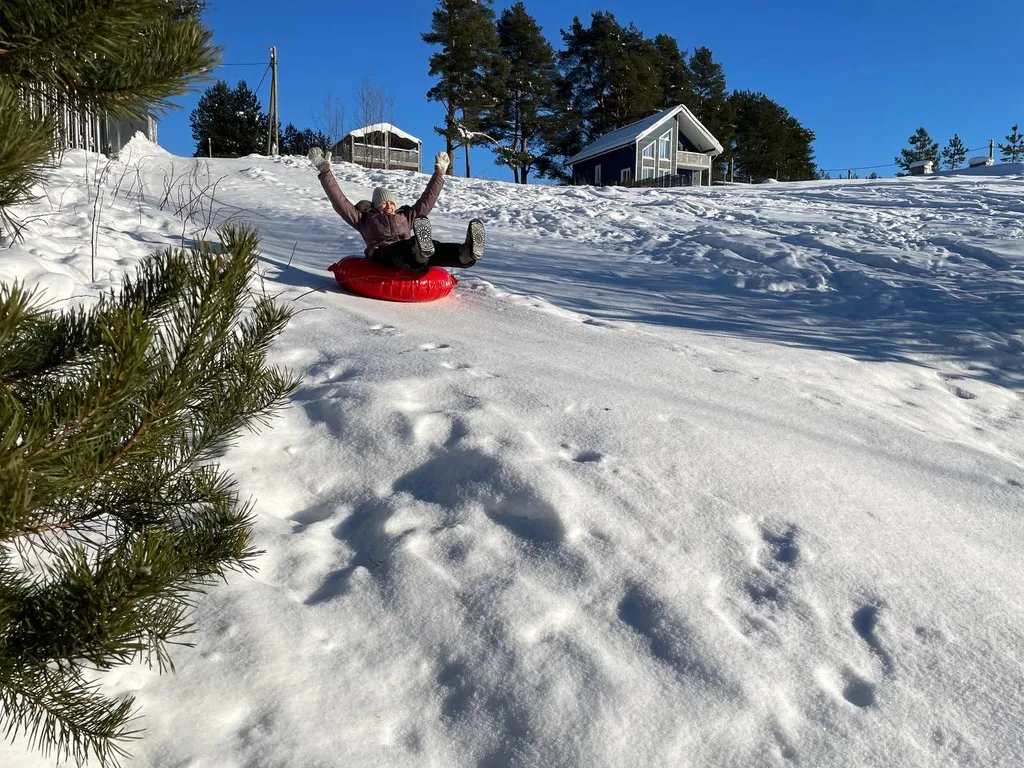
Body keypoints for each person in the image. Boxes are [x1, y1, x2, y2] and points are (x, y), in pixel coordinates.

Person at [307, 147, 484, 271]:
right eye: (384, 203)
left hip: (411, 247)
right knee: (408, 248)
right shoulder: (364, 218)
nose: (389, 205)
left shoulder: (406, 217)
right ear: (376, 205)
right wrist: (325, 173)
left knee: (435, 247)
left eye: (392, 203)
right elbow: (340, 202)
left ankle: (465, 253)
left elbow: (427, 200)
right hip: (383, 253)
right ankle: (419, 251)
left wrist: (439, 174)